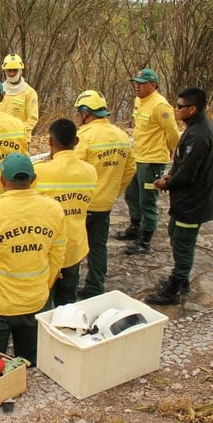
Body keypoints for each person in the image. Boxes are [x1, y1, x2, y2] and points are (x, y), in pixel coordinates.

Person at [0, 152, 66, 365]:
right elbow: (57, 255)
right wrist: (43, 288)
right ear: (34, 179)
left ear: (1, 180)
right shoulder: (53, 209)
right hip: (35, 302)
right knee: (30, 363)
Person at [144, 87, 213, 305]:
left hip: (193, 201)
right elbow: (184, 164)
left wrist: (167, 182)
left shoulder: (199, 134)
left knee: (183, 241)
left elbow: (188, 173)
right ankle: (181, 277)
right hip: (189, 198)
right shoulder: (198, 126)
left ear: (193, 109)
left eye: (180, 106)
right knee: (175, 232)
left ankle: (174, 289)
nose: (176, 110)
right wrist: (171, 175)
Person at [73, 90, 137, 298]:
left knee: (73, 247)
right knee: (98, 246)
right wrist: (114, 191)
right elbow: (130, 169)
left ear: (86, 112)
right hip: (105, 203)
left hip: (81, 204)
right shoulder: (121, 136)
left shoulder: (83, 137)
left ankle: (68, 288)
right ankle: (95, 286)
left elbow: (73, 170)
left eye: (78, 112)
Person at [33, 119, 98, 306]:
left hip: (47, 247)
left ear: (50, 142)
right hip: (74, 246)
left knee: (42, 299)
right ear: (76, 141)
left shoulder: (40, 171)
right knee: (68, 300)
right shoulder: (89, 171)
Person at [116, 68, 180, 255]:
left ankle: (145, 241)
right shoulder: (139, 101)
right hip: (137, 157)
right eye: (136, 82)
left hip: (152, 161)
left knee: (147, 201)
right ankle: (134, 228)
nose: (137, 86)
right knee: (131, 194)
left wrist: (170, 149)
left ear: (153, 85)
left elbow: (173, 133)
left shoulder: (160, 105)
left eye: (142, 83)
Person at [0, 53, 40, 145]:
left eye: (14, 70)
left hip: (20, 141)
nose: (11, 73)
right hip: (0, 140)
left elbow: (32, 119)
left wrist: (17, 134)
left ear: (20, 71)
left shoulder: (29, 93)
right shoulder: (0, 89)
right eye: (9, 71)